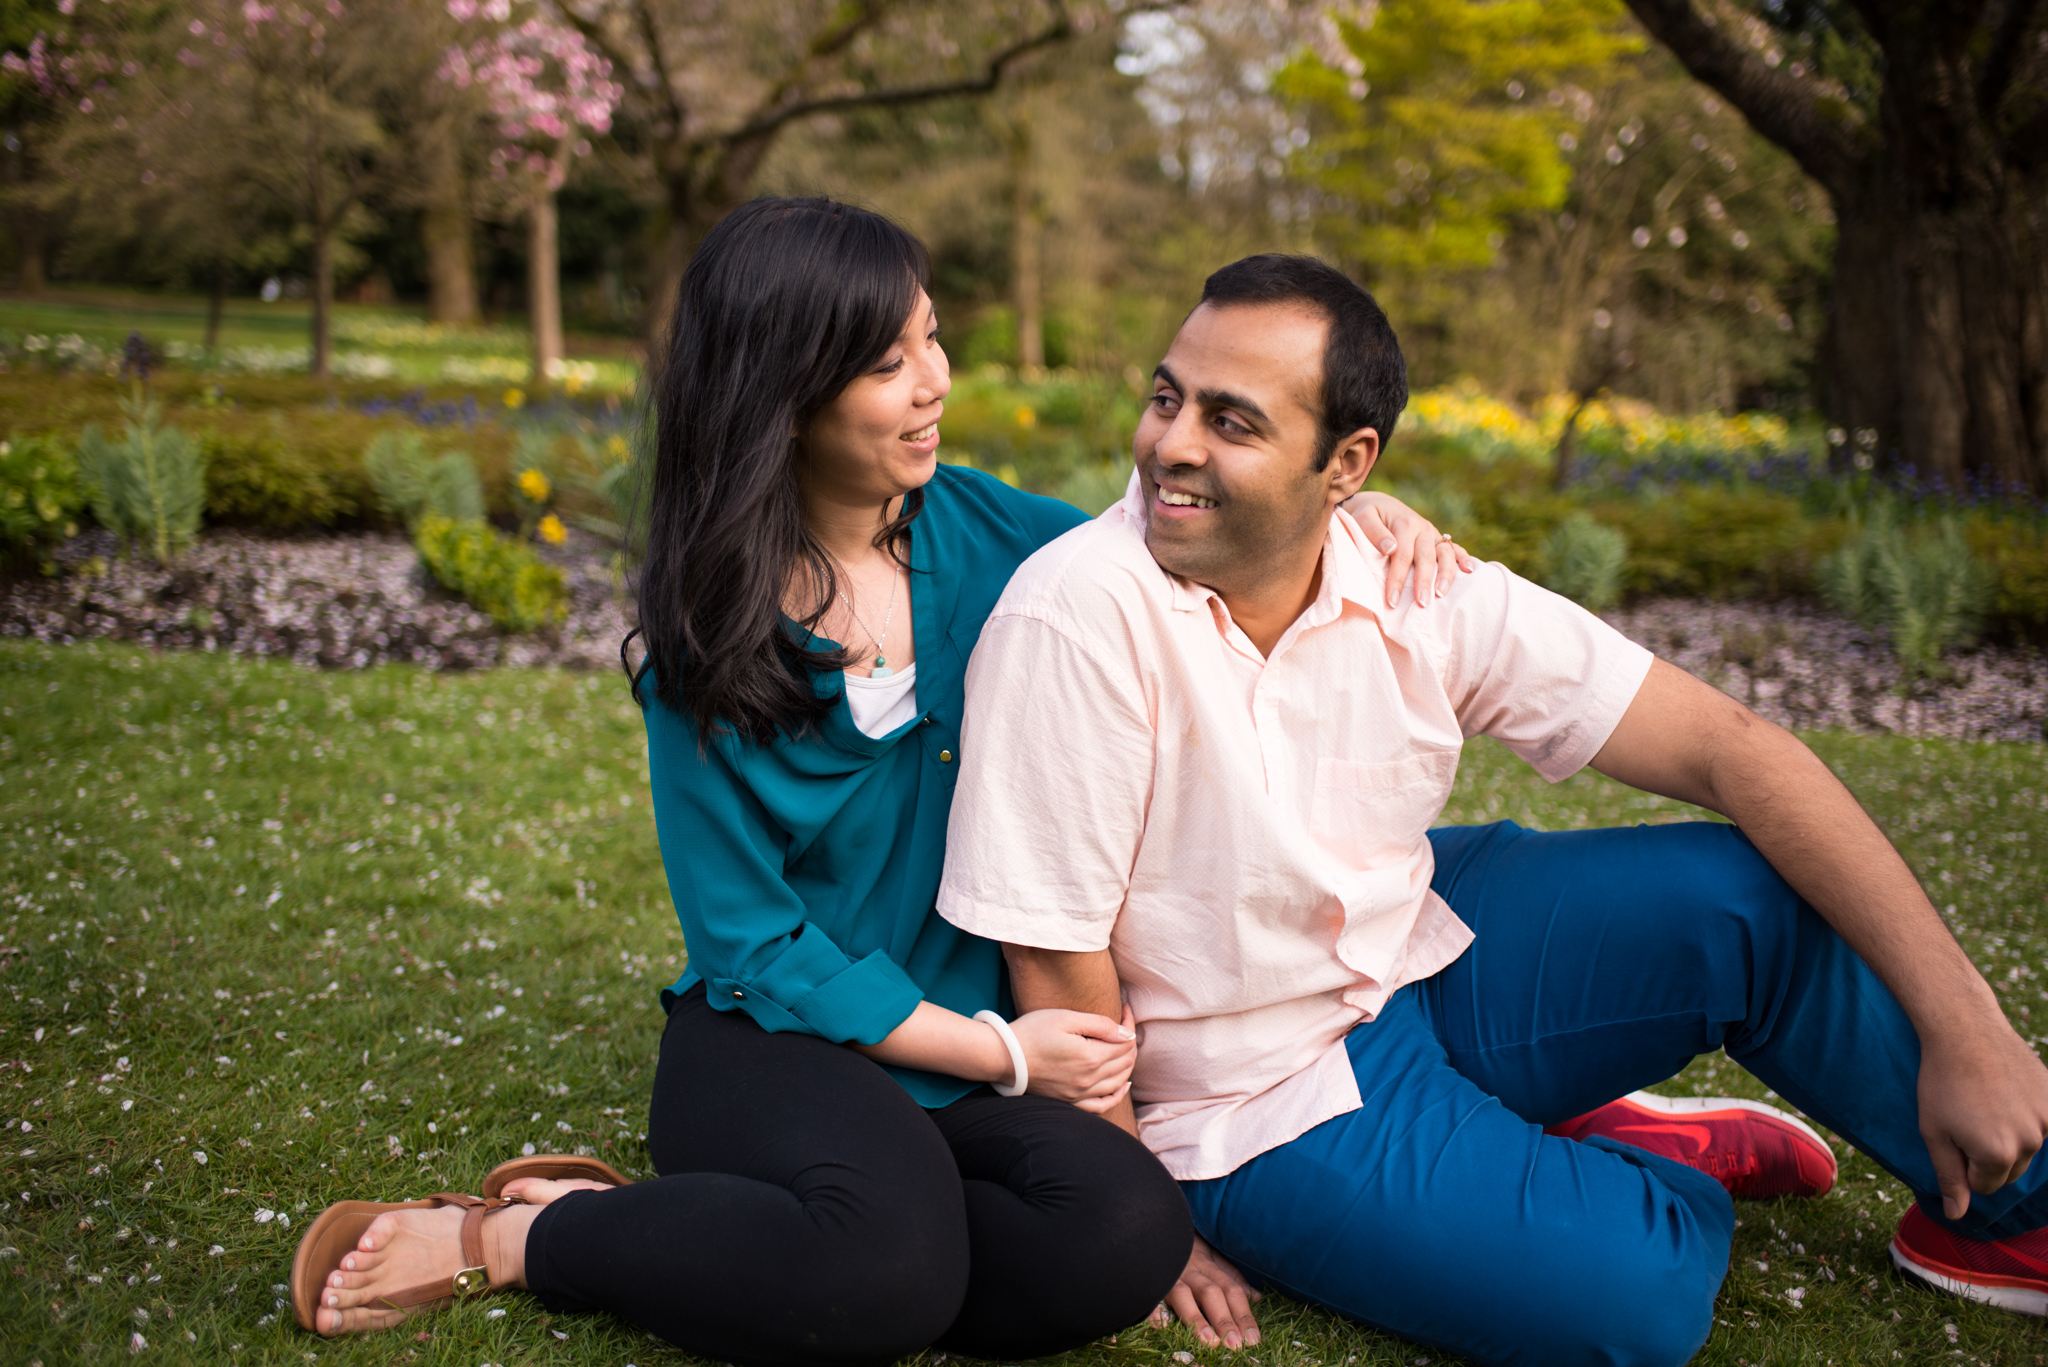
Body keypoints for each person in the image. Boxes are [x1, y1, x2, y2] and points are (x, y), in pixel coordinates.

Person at [289, 200, 1476, 1364]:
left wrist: (1349, 499)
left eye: (930, 337)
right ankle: (519, 1233)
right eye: (883, 361)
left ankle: (782, 1244)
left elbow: (1197, 515)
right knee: (883, 1270)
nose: (933, 381)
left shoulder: (1002, 539)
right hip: (780, 1037)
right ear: (780, 395)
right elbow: (752, 943)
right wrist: (1003, 1058)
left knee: (1120, 1233)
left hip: (973, 1031)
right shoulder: (702, 642)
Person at [935, 253, 2048, 1367]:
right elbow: (1055, 957)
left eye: (1231, 420)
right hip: (1241, 1090)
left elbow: (1731, 751)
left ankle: (2009, 1220)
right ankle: (1564, 1154)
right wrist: (1134, 1209)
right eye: (1166, 396)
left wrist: (1972, 1028)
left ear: (1346, 464)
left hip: (1414, 949)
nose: (1169, 444)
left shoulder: (1407, 573)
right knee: (1639, 1297)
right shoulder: (1075, 616)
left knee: (1752, 893)